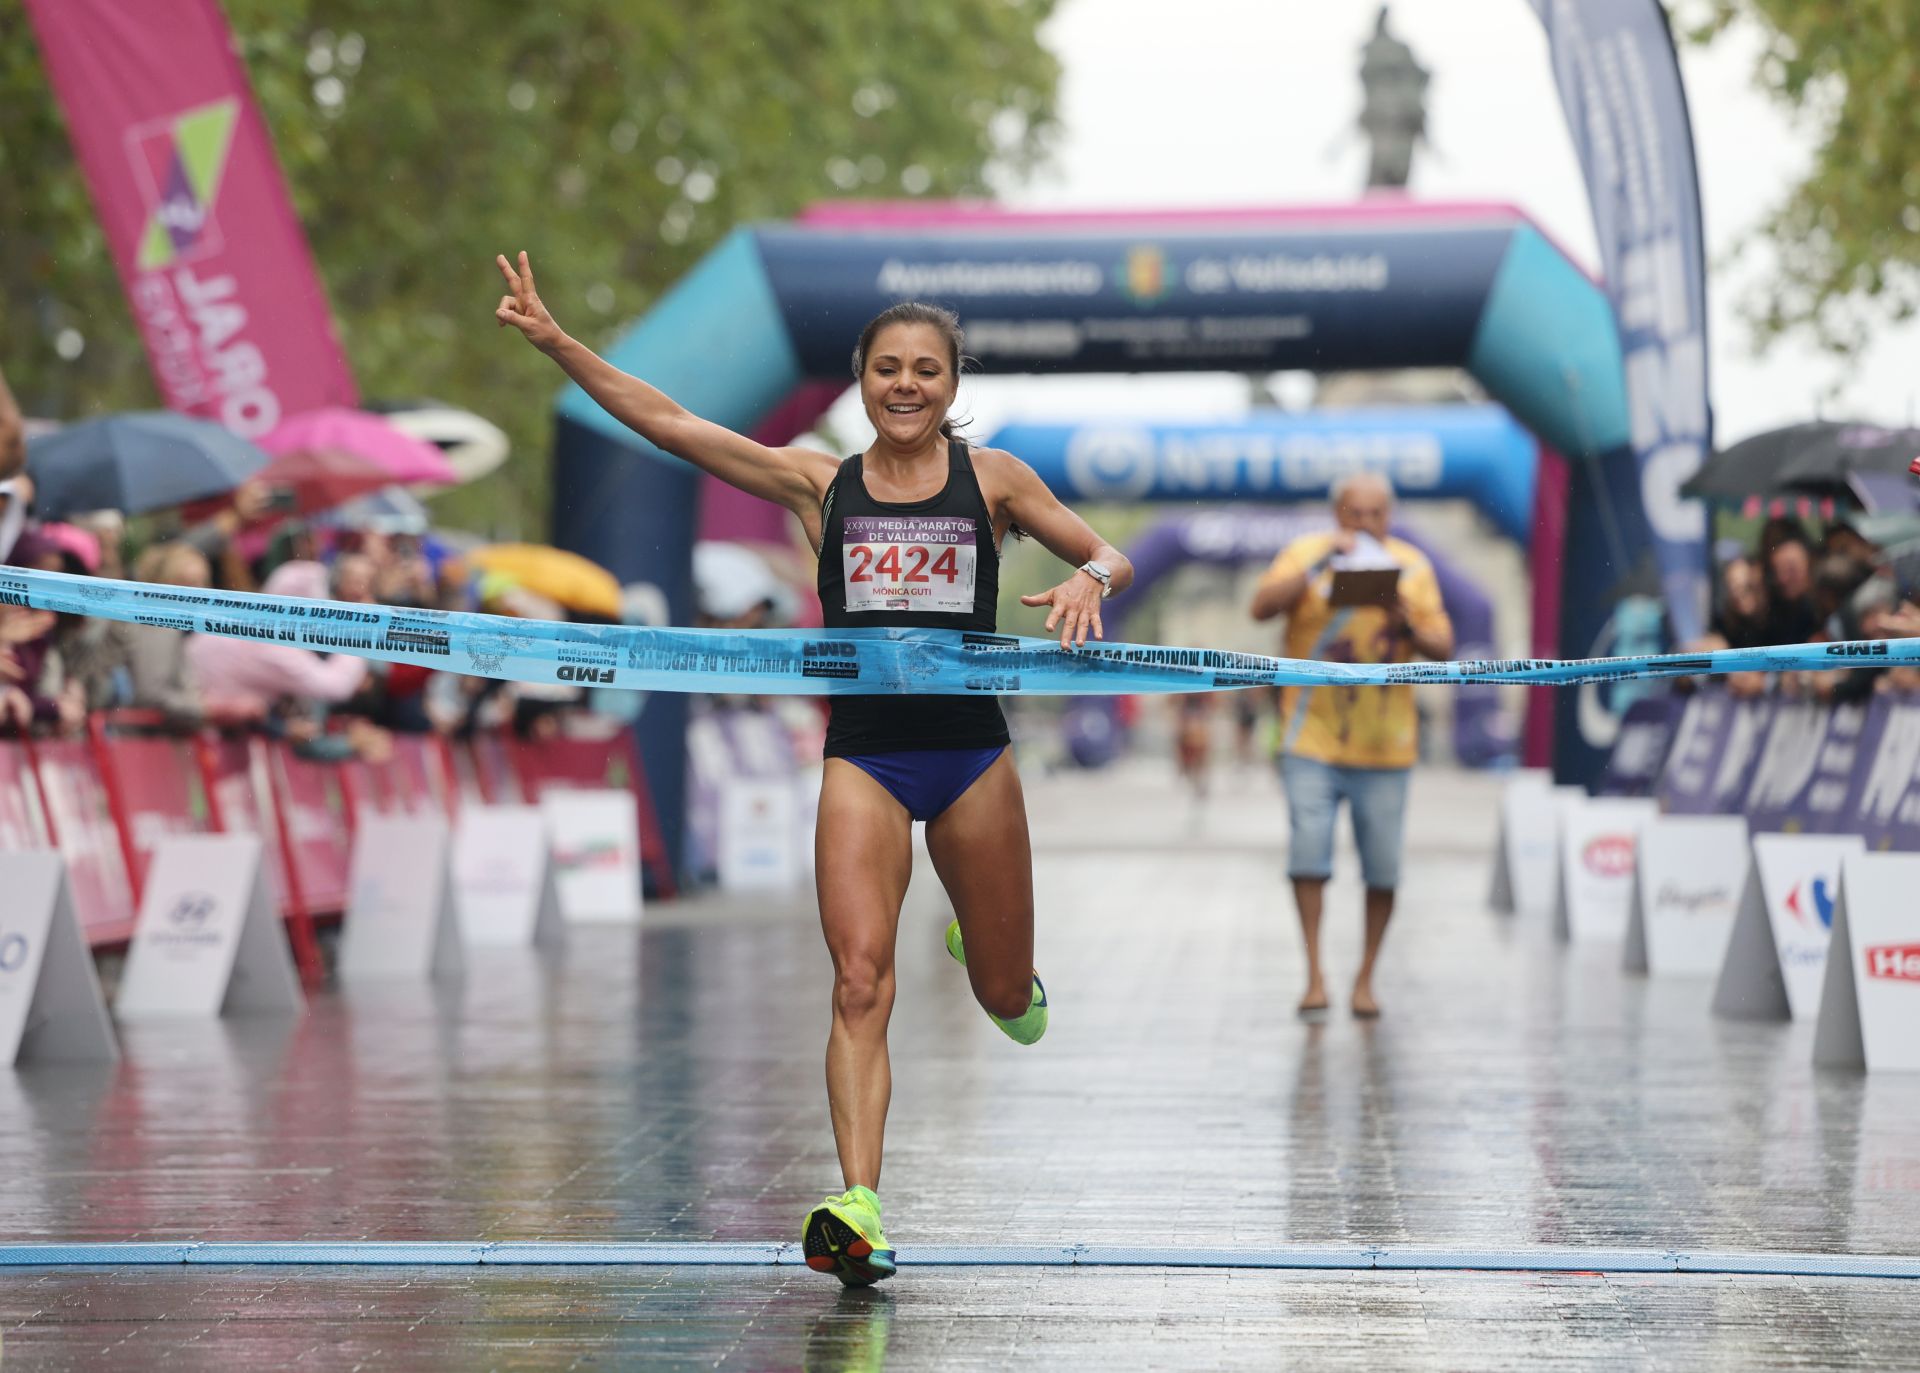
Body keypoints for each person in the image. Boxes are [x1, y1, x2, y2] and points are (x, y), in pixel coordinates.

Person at [494, 251, 1132, 1287]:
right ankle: (859, 1205)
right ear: (862, 379)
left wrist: (1089, 581)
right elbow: (669, 423)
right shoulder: (817, 481)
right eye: (888, 368)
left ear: (952, 385)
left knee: (1012, 1000)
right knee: (858, 979)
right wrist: (557, 340)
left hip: (971, 756)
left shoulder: (998, 479)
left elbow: (1109, 554)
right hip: (866, 758)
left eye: (927, 369)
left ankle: (988, 943)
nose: (907, 385)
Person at [1249, 473, 1452, 1020]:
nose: (1363, 525)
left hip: (1386, 744)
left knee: (1382, 868)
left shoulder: (1413, 566)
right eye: (1353, 514)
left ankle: (1366, 978)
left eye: (1375, 515)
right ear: (1336, 513)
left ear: (1390, 516)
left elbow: (1444, 645)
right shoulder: (1305, 553)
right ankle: (1314, 973)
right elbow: (1261, 607)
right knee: (1308, 850)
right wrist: (1321, 569)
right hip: (1309, 735)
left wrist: (1402, 618)